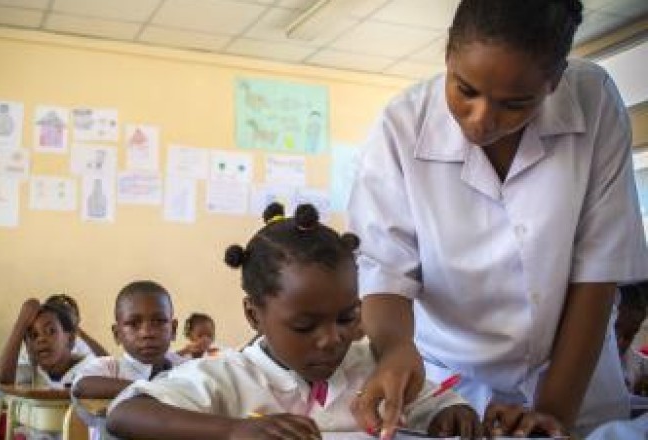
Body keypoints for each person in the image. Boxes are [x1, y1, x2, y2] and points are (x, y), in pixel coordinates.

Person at [346, 0, 648, 437]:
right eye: (465, 90)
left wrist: (554, 413)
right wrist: (394, 349)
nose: (481, 120)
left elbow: (597, 273)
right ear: (448, 55)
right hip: (452, 383)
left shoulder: (593, 99)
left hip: (573, 379)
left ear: (555, 80)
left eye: (515, 104)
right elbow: (383, 270)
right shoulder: (401, 126)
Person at [106, 203, 479, 440]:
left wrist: (450, 416)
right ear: (254, 315)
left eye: (347, 317)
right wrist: (234, 430)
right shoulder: (229, 378)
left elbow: (439, 405)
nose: (332, 339)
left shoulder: (373, 369)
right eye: (305, 326)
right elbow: (125, 413)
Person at [71, 280, 185, 400]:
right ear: (117, 334)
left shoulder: (187, 368)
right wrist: (150, 390)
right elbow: (81, 386)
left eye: (158, 321)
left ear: (173, 329)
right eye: (133, 323)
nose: (147, 333)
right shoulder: (110, 368)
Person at [0, 299, 92, 388]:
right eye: (34, 335)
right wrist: (21, 322)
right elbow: (4, 380)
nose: (41, 339)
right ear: (28, 348)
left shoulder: (89, 371)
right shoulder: (33, 371)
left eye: (50, 331)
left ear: (70, 338)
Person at [17, 294, 108, 365]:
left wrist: (80, 332)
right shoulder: (33, 345)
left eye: (68, 315)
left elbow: (107, 364)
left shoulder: (84, 345)